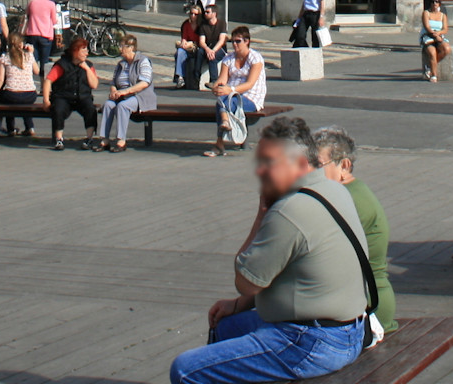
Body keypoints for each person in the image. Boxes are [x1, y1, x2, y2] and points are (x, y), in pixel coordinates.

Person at [169, 117, 366, 384]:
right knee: (226, 326)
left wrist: (263, 213)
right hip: (350, 332)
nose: (260, 172)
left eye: (269, 163)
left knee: (185, 369)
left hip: (311, 343)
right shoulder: (335, 190)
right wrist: (238, 306)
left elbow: (246, 282)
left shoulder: (289, 211)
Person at [312, 126, 397, 333]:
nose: (309, 171)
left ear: (344, 166)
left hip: (366, 310)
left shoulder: (350, 201)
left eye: (317, 165)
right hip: (356, 302)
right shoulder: (344, 193)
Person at [206, 27, 267, 158]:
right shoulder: (228, 58)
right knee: (223, 98)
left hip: (251, 97)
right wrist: (218, 86)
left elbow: (250, 84)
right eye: (232, 41)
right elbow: (223, 79)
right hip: (230, 96)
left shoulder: (255, 58)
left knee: (223, 102)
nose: (234, 44)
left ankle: (220, 141)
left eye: (238, 41)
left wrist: (230, 90)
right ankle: (225, 124)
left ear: (247, 41)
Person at [96, 33, 155, 152]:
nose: (120, 49)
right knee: (108, 105)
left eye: (122, 46)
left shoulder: (143, 61)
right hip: (122, 95)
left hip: (139, 96)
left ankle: (121, 141)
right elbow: (113, 82)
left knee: (123, 106)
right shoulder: (121, 64)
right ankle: (104, 140)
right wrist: (113, 91)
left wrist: (125, 92)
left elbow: (144, 83)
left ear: (131, 48)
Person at [43, 37, 99, 150]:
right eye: (83, 50)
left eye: (86, 50)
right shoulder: (62, 64)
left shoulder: (89, 65)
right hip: (63, 96)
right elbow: (48, 81)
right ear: (75, 51)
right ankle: (59, 139)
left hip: (82, 96)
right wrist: (46, 100)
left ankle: (89, 138)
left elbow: (94, 85)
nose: (86, 53)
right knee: (58, 109)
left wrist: (87, 69)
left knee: (90, 109)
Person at [0, 31, 41, 136]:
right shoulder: (28, 56)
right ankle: (30, 127)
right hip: (30, 94)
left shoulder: (5, 58)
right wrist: (31, 53)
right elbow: (37, 71)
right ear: (21, 44)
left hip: (12, 94)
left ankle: (11, 128)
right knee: (26, 104)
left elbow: (0, 79)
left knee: (7, 101)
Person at [25, 0, 59, 69]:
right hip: (45, 35)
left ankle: (31, 78)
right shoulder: (51, 4)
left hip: (32, 33)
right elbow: (54, 21)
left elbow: (27, 15)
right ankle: (44, 80)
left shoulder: (32, 2)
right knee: (45, 61)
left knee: (32, 59)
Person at [195, 5, 228, 89]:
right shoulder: (203, 25)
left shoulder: (222, 24)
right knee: (199, 52)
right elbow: (201, 41)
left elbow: (221, 40)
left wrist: (213, 51)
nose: (205, 14)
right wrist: (207, 49)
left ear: (214, 14)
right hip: (208, 47)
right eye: (205, 12)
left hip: (219, 48)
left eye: (207, 12)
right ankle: (196, 76)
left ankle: (214, 81)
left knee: (212, 58)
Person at [175, 3, 206, 90]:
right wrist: (184, 43)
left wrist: (192, 43)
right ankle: (180, 77)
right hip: (187, 47)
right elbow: (184, 37)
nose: (193, 16)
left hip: (196, 47)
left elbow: (201, 41)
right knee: (180, 52)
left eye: (195, 14)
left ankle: (191, 78)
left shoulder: (201, 26)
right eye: (191, 13)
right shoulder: (186, 24)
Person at [420, 0, 452, 81]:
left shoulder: (442, 15)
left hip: (439, 37)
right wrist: (435, 35)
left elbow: (445, 29)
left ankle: (430, 67)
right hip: (428, 36)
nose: (434, 3)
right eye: (432, 2)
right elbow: (427, 27)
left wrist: (439, 33)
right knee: (432, 52)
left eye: (437, 2)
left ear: (439, 4)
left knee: (446, 49)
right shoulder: (426, 13)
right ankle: (434, 75)